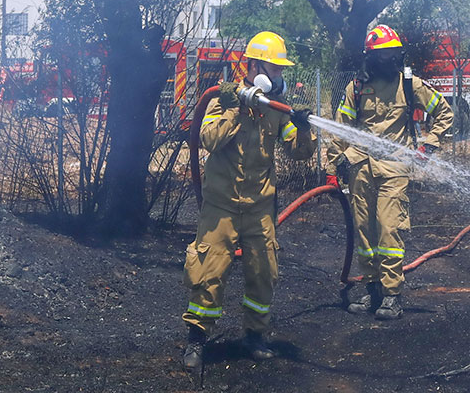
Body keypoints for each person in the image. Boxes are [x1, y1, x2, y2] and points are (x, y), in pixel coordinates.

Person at [182, 31, 317, 372]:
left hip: (259, 208)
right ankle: (196, 341)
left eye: (281, 70)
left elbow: (299, 153)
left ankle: (255, 337)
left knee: (264, 273)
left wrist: (301, 128)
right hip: (221, 206)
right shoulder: (221, 101)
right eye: (274, 69)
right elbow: (209, 139)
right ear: (255, 67)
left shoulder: (275, 111)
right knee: (208, 273)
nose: (279, 76)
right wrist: (237, 108)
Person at [326, 24, 453, 320]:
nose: (389, 61)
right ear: (370, 57)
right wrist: (333, 165)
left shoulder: (411, 85)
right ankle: (372, 292)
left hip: (394, 167)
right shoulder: (356, 88)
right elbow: (341, 130)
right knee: (364, 232)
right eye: (382, 55)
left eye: (392, 55)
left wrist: (428, 145)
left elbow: (444, 113)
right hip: (360, 167)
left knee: (388, 229)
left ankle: (392, 295)